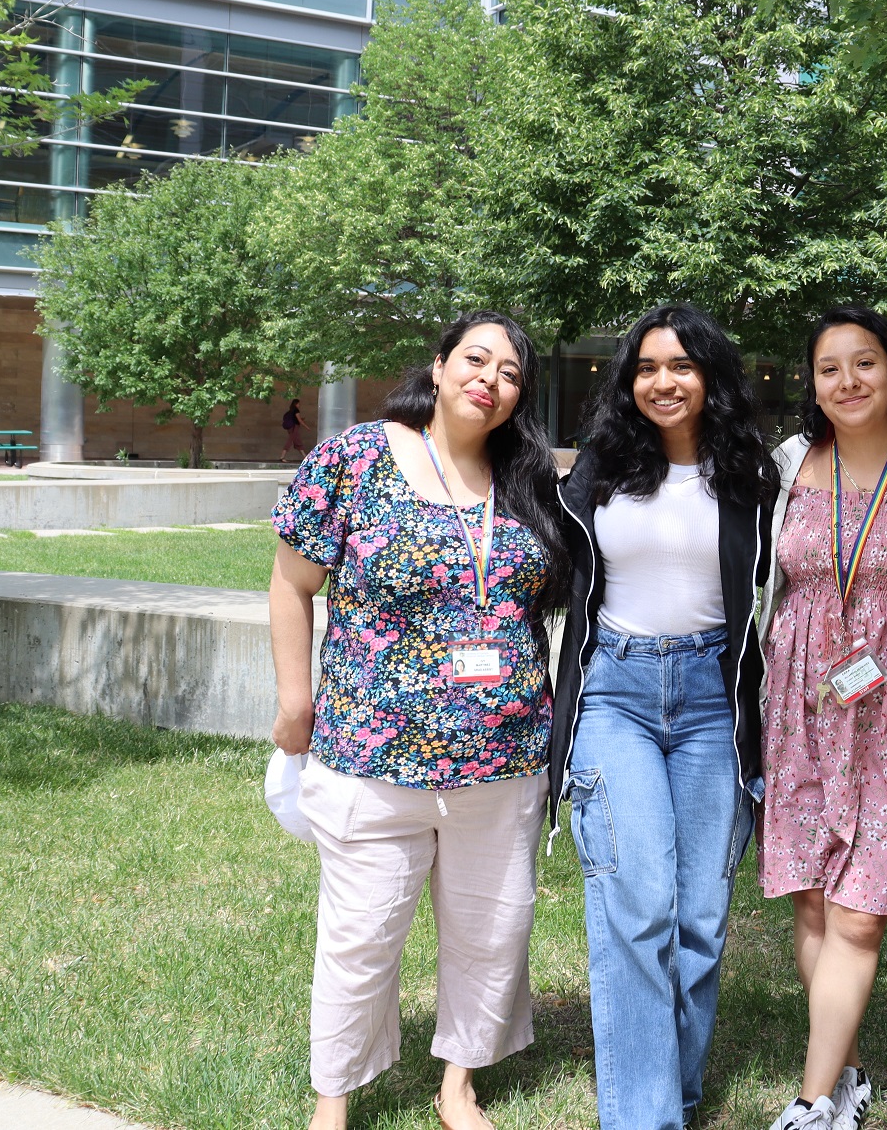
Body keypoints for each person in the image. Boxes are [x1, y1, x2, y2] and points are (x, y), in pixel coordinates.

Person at [268, 311, 568, 1130]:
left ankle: (457, 1085)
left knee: (491, 929)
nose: (490, 379)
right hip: (371, 754)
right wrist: (296, 704)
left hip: (502, 760)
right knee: (360, 938)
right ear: (437, 367)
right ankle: (333, 1100)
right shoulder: (357, 457)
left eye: (511, 373)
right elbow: (292, 583)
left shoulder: (531, 481)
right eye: (476, 359)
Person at [550, 304, 778, 1130]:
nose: (663, 381)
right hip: (617, 693)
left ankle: (671, 1095)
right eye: (647, 367)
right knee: (636, 905)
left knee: (701, 921)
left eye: (681, 365)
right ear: (628, 380)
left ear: (709, 376)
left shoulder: (754, 476)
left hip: (715, 700)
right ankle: (643, 1120)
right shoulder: (598, 472)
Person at [757, 309, 887, 1130]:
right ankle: (841, 1076)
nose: (847, 381)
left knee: (858, 910)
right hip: (801, 702)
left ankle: (812, 1102)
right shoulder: (787, 464)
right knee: (811, 900)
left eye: (864, 362)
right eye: (829, 368)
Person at [281, 397, 308, 463]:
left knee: (298, 442)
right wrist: (307, 427)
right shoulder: (296, 410)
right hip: (294, 428)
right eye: (298, 404)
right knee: (290, 441)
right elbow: (299, 420)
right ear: (296, 404)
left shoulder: (291, 411)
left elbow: (297, 419)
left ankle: (305, 457)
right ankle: (282, 457)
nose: (299, 405)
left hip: (291, 428)